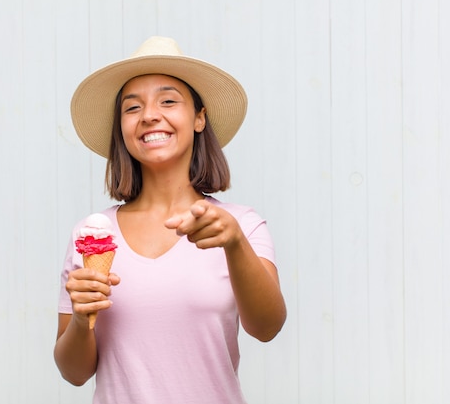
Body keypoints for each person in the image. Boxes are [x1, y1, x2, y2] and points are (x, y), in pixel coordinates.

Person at [54, 36, 286, 404]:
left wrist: (235, 243)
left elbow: (267, 327)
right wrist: (82, 320)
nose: (149, 115)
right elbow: (74, 373)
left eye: (168, 100)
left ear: (199, 117)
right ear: (122, 129)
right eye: (132, 108)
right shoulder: (93, 236)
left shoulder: (241, 225)